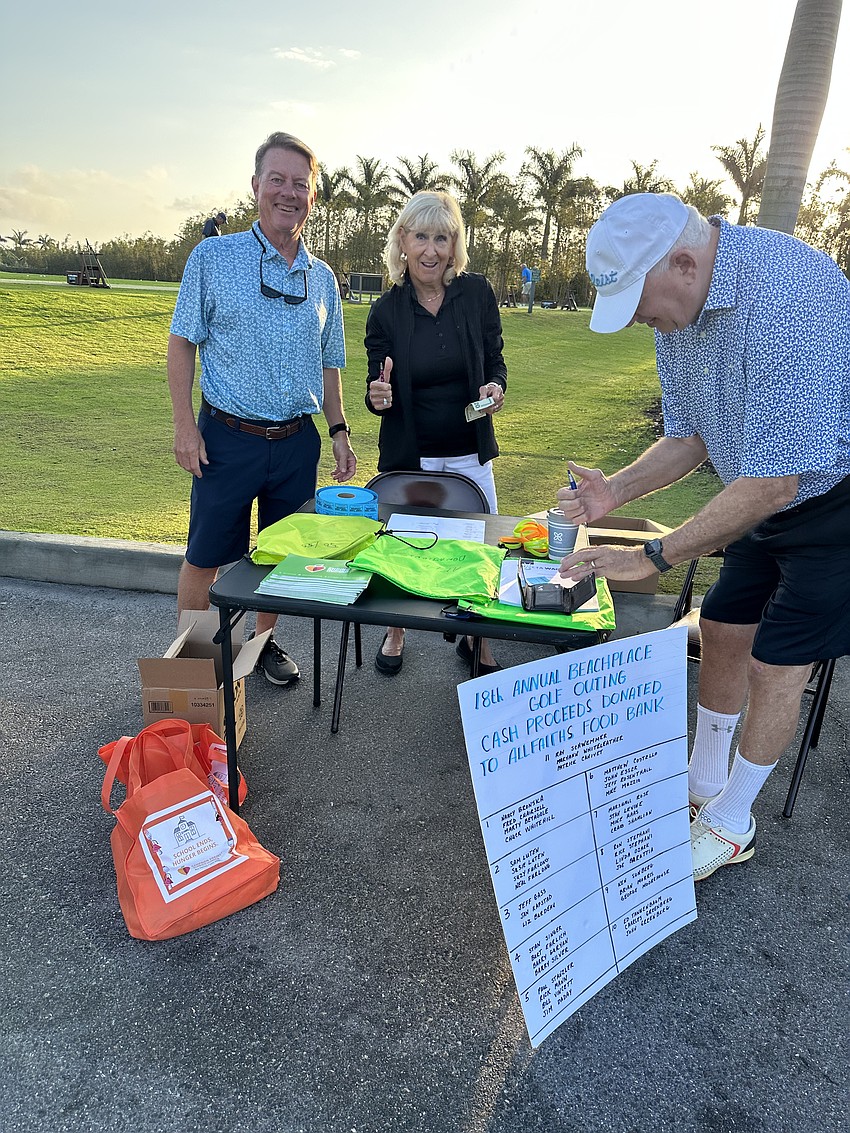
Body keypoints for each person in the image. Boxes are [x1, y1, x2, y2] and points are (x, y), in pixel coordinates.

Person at [558, 191, 850, 882]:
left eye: (639, 301)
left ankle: (732, 819)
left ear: (684, 263)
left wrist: (650, 554)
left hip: (835, 493)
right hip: (762, 483)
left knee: (777, 659)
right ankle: (701, 782)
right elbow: (688, 435)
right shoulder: (677, 313)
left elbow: (779, 482)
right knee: (721, 624)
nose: (638, 320)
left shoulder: (789, 296)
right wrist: (617, 491)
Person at [168, 131, 357, 687]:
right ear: (255, 187)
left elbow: (330, 364)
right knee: (205, 557)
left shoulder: (323, 280)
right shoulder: (213, 256)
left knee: (279, 558)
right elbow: (182, 341)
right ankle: (195, 665)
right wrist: (184, 426)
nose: (288, 192)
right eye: (277, 179)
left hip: (296, 442)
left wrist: (339, 430)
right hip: (226, 438)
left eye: (301, 184)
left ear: (313, 196)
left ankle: (262, 645)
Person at [365, 191, 507, 677]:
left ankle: (477, 635)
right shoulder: (386, 310)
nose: (430, 250)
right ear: (402, 241)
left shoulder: (477, 294)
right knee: (408, 545)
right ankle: (396, 629)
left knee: (479, 548)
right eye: (420, 236)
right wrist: (377, 396)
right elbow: (375, 385)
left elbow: (494, 358)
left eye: (441, 238)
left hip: (469, 451)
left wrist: (496, 385)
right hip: (411, 455)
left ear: (454, 245)